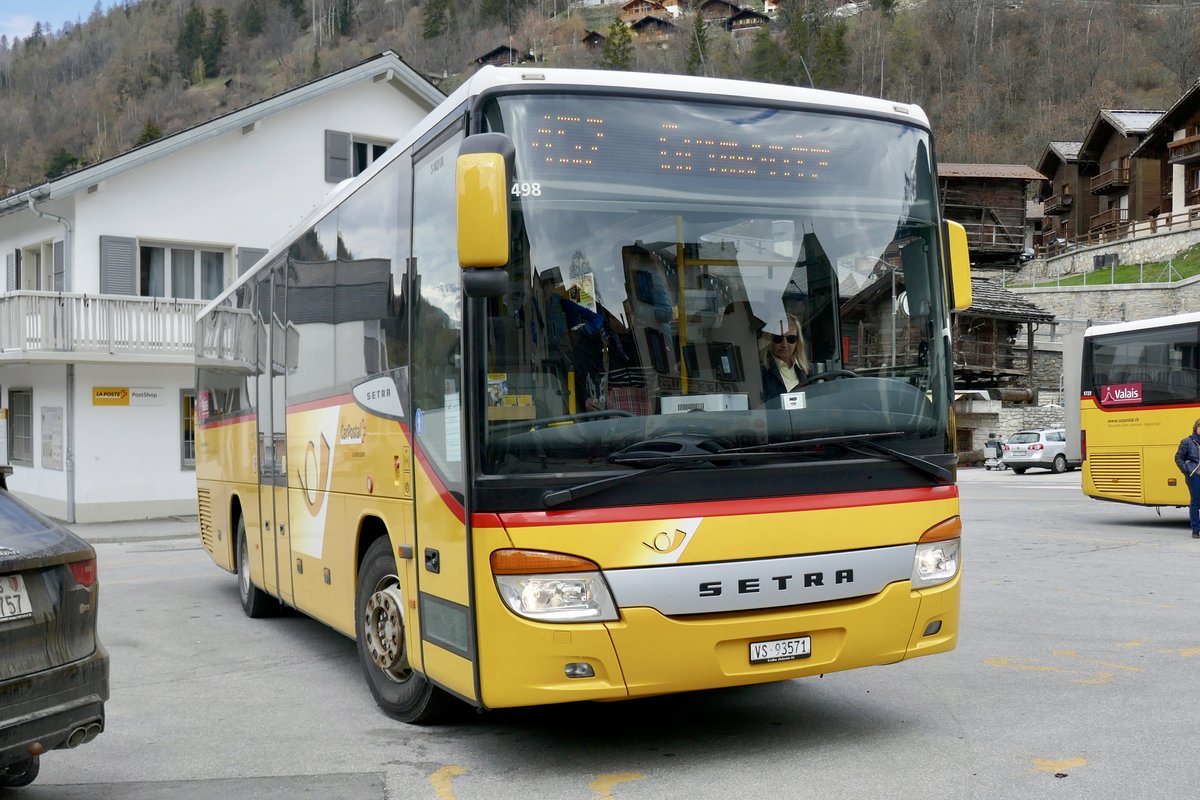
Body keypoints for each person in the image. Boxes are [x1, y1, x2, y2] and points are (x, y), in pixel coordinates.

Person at [759, 314, 810, 404]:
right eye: (778, 338)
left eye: (791, 339)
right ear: (769, 340)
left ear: (798, 342)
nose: (784, 344)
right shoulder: (760, 372)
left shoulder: (808, 370)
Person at [1174, 417, 1200, 539]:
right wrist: (1187, 470)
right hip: (1195, 476)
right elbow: (1178, 458)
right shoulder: (1187, 441)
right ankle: (1196, 529)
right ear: (1196, 428)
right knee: (1195, 502)